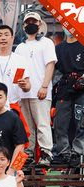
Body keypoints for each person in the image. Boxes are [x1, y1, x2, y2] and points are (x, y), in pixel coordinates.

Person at [15, 12, 57, 167]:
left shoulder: (46, 43)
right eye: (28, 22)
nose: (31, 24)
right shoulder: (20, 47)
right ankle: (29, 153)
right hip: (23, 93)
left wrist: (44, 86)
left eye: (34, 21)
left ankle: (46, 153)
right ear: (24, 26)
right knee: (28, 126)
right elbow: (18, 69)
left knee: (42, 124)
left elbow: (50, 65)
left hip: (40, 91)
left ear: (40, 24)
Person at [53, 25, 84, 164]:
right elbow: (55, 70)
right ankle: (63, 152)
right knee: (60, 122)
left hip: (81, 87)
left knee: (81, 122)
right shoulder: (58, 48)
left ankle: (77, 152)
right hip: (65, 86)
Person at [0, 24, 32, 106]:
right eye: (0, 35)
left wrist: (24, 86)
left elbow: (27, 86)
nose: (3, 38)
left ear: (12, 38)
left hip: (12, 105)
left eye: (6, 35)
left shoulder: (20, 60)